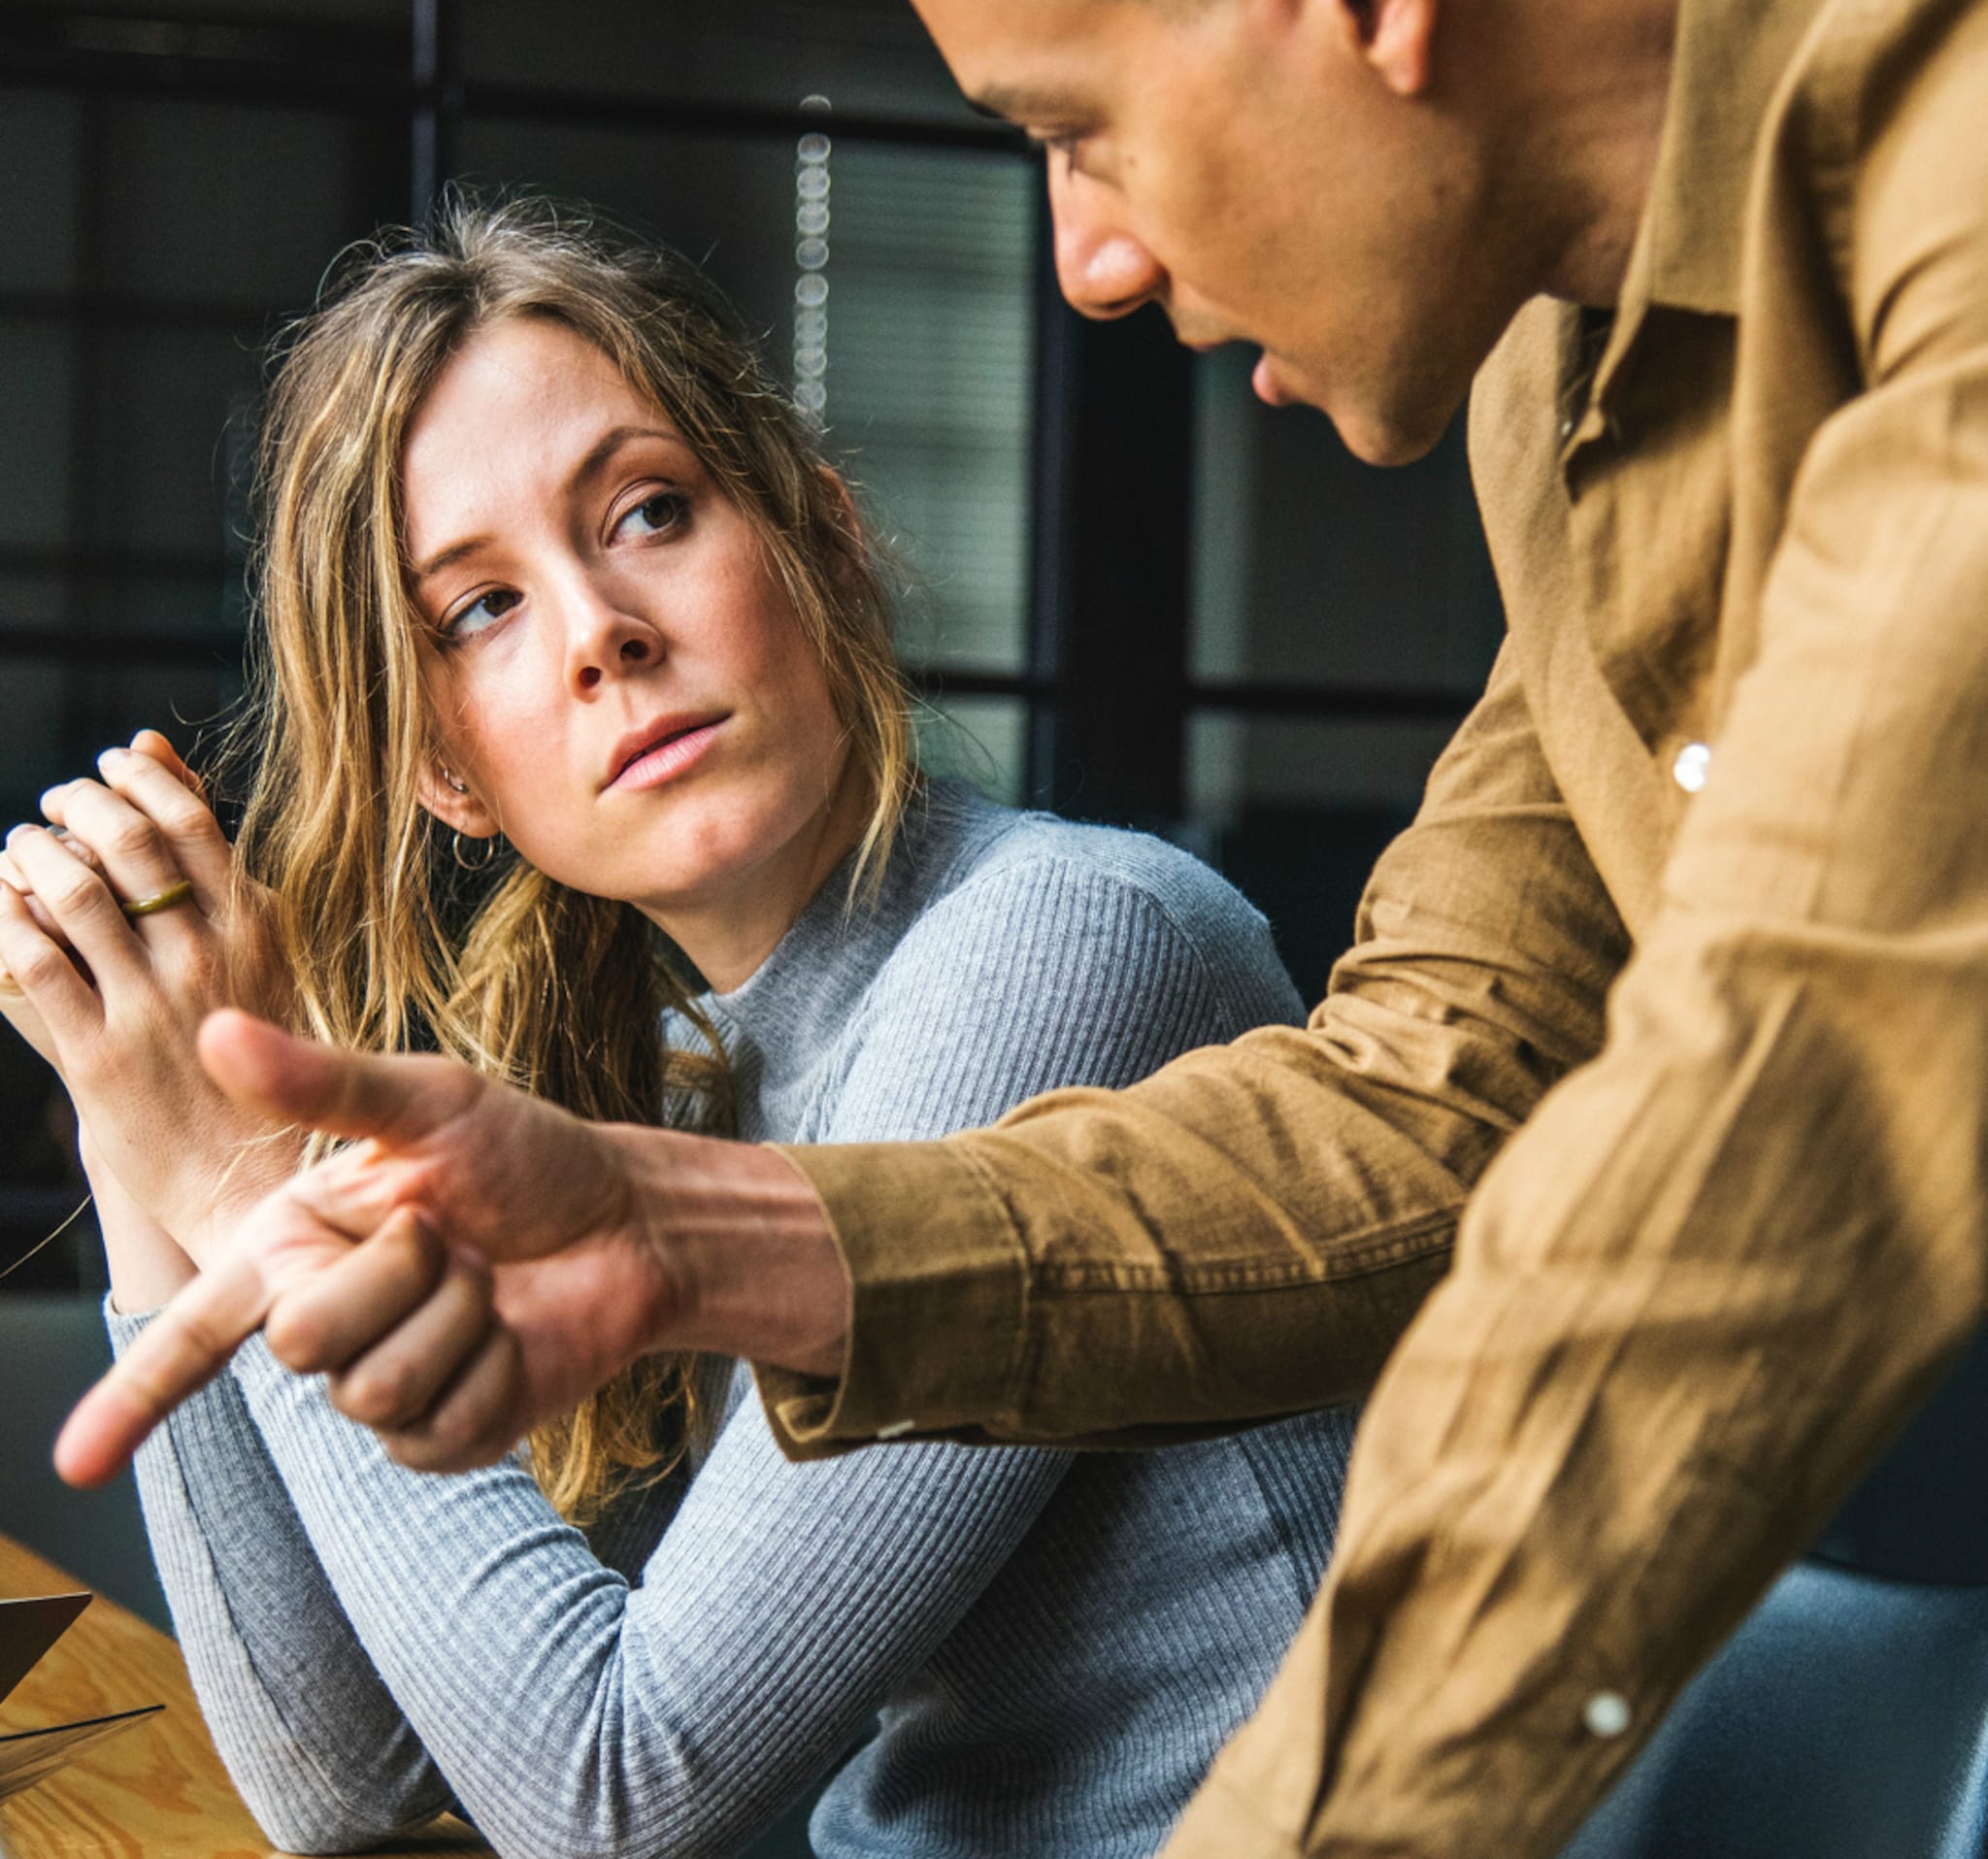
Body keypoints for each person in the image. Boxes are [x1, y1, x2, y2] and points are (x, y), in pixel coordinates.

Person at [51, 0, 1988, 1852]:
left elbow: (1750, 1152)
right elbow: (1436, 1097)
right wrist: (669, 1226)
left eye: (1076, 125)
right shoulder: (1557, 385)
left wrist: (267, 1187)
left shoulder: (1953, 165)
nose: (1088, 263)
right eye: (476, 611)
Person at [0, 199, 1362, 1859]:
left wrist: (247, 1187)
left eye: (647, 511)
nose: (599, 633)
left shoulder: (1066, 943)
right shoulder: (686, 1070)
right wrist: (132, 1091)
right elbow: (340, 1781)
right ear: (446, 773)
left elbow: (613, 1797)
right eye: (481, 608)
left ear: (823, 541)